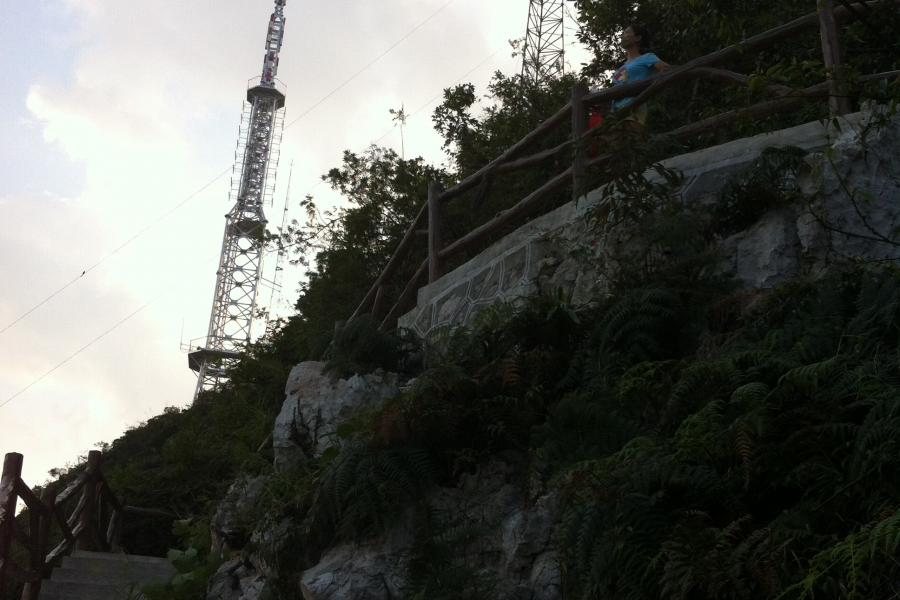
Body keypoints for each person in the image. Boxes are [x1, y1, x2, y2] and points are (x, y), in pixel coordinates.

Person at [607, 24, 668, 137]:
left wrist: (648, 87)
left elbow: (668, 71)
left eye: (626, 32)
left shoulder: (647, 57)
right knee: (612, 149)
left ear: (638, 38)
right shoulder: (620, 66)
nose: (622, 36)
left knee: (628, 146)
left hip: (634, 108)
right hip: (615, 113)